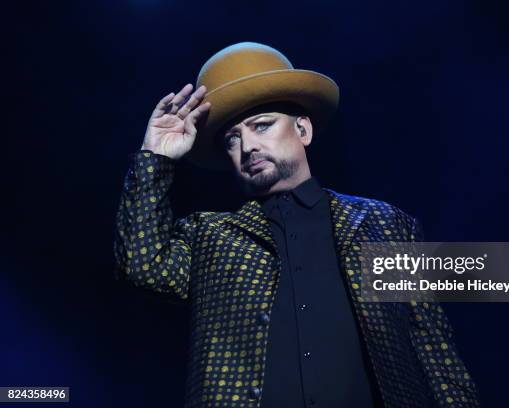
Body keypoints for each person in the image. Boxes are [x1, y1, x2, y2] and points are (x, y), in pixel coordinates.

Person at [113, 42, 479, 408]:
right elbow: (142, 266)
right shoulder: (211, 236)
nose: (248, 147)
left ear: (303, 130)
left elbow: (434, 350)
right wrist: (155, 158)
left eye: (262, 126)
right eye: (232, 139)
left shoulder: (382, 225)